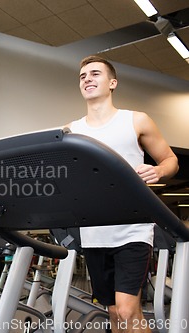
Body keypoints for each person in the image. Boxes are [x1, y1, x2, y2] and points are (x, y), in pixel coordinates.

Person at [65, 55, 179, 333]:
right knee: (115, 313)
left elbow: (170, 160)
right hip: (94, 233)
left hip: (132, 230)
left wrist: (159, 172)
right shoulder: (71, 131)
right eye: (82, 76)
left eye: (95, 74)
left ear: (112, 82)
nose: (87, 79)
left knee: (128, 310)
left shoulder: (136, 120)